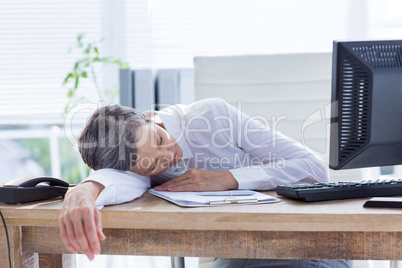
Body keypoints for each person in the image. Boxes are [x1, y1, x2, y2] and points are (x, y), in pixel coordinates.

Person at [59, 98, 351, 267]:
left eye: (160, 140)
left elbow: (314, 168)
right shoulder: (136, 169)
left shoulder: (212, 116)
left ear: (150, 118)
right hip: (241, 250)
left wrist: (228, 178)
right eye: (154, 164)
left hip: (310, 242)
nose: (168, 154)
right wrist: (86, 189)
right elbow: (118, 181)